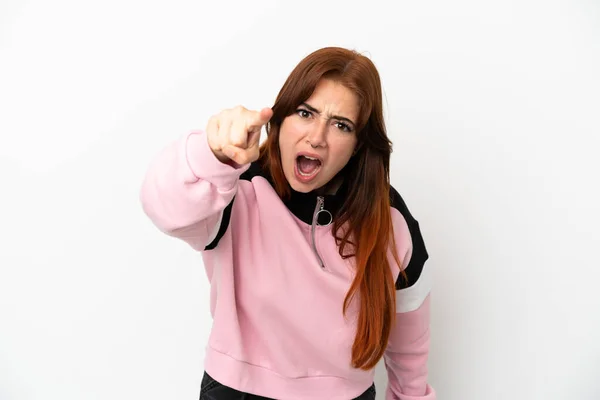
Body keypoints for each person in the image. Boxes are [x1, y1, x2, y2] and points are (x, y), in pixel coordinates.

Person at [140, 47, 436, 400]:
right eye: (305, 113)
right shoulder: (237, 190)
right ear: (279, 120)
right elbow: (164, 206)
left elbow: (410, 348)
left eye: (341, 125)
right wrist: (212, 154)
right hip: (238, 391)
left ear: (357, 145)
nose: (317, 137)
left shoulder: (389, 219)